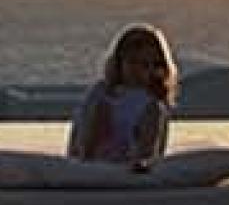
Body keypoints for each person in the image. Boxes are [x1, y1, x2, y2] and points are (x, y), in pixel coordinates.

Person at [67, 24, 177, 167]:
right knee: (98, 111)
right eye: (132, 62)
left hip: (126, 167)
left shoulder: (152, 104)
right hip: (89, 161)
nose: (137, 70)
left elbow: (152, 148)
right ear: (120, 62)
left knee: (152, 113)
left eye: (144, 65)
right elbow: (79, 133)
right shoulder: (100, 92)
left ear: (156, 68)